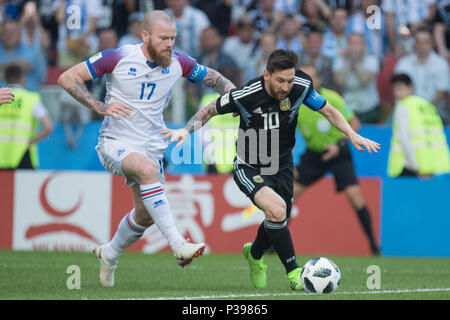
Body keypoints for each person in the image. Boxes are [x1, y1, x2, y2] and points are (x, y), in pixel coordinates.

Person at [161, 49, 380, 291]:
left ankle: (254, 254)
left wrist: (351, 134)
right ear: (266, 75)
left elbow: (328, 110)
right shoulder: (248, 94)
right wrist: (185, 130)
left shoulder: (301, 86)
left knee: (279, 215)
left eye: (289, 80)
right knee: (277, 210)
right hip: (249, 164)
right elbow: (209, 110)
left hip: (282, 163)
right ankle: (294, 272)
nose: (286, 87)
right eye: (280, 81)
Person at [57, 10, 236, 287]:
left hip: (151, 146)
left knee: (145, 215)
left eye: (173, 38)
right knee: (146, 169)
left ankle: (110, 253)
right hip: (115, 143)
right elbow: (67, 78)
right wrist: (98, 105)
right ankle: (178, 244)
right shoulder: (116, 57)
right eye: (164, 38)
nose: (170, 44)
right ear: (145, 35)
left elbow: (213, 77)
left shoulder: (179, 63)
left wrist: (232, 94)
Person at [293, 64, 380, 255]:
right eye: (304, 77)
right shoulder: (296, 103)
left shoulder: (331, 98)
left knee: (355, 197)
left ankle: (374, 246)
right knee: (289, 197)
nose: (308, 81)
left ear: (319, 80)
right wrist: (288, 161)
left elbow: (355, 123)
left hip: (339, 153)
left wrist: (339, 145)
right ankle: (274, 246)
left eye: (312, 77)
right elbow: (287, 134)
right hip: (313, 155)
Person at [388, 73, 450, 178]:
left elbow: (404, 138)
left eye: (399, 88)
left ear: (411, 87)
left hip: (410, 165)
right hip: (429, 164)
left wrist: (415, 166)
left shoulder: (403, 106)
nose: (396, 93)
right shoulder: (427, 105)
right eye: (394, 89)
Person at [0, 64, 53, 170]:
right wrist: (31, 142)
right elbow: (48, 127)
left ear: (5, 78)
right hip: (22, 155)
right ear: (23, 78)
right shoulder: (31, 99)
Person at [394, 28, 450, 125]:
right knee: (390, 123)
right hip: (408, 109)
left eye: (426, 42)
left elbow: (441, 93)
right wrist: (413, 109)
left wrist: (423, 110)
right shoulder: (403, 63)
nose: (422, 46)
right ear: (414, 44)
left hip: (434, 109)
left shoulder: (441, 64)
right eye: (419, 42)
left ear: (432, 44)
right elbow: (398, 89)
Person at [333, 33, 380, 123]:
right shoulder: (339, 60)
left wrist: (356, 63)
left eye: (358, 44)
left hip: (369, 108)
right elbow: (339, 82)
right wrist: (348, 62)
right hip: (348, 108)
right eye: (352, 43)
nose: (355, 47)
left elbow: (365, 81)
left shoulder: (371, 60)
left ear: (364, 46)